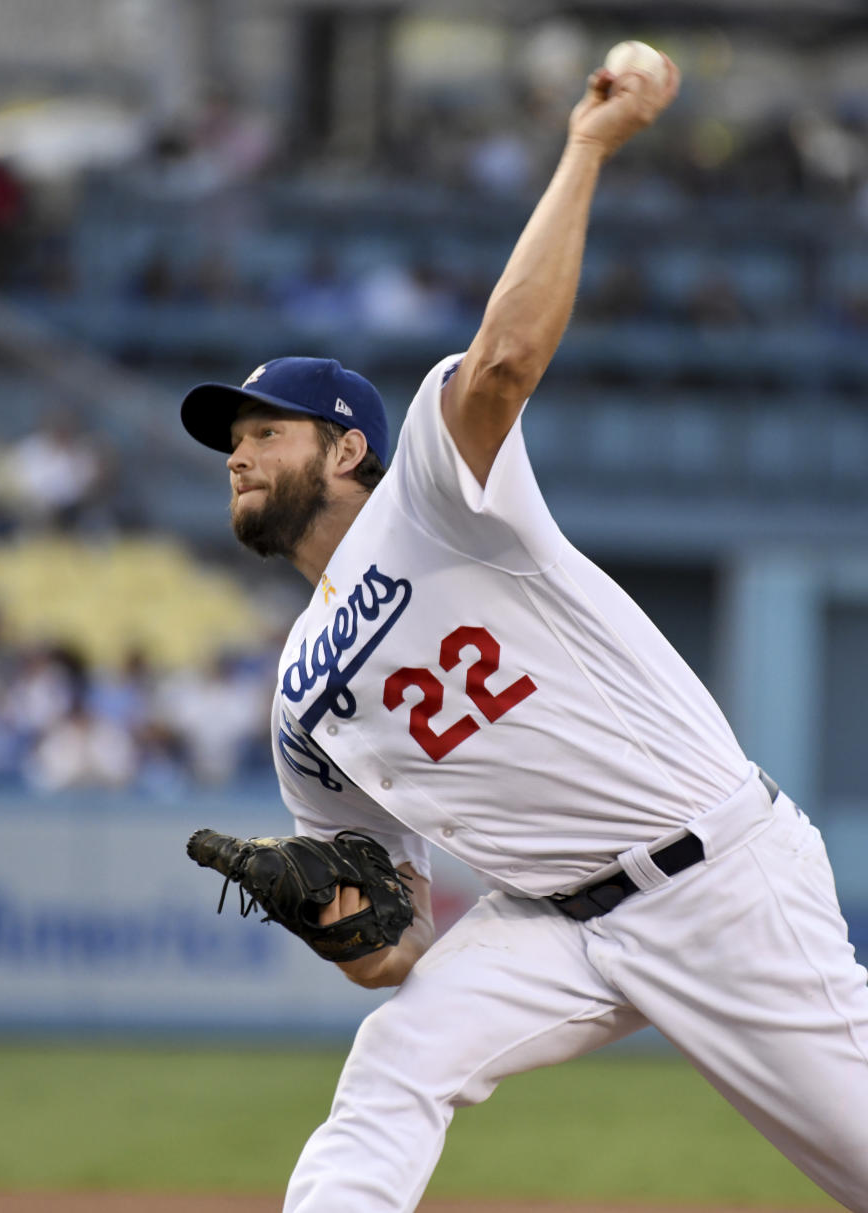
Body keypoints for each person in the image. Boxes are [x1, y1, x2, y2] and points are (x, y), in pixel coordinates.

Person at [179, 58, 868, 1213]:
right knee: (396, 1059)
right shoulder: (300, 697)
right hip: (552, 924)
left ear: (346, 448)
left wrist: (588, 147)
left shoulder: (439, 498)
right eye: (230, 442)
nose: (238, 455)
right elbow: (390, 951)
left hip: (714, 878)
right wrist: (325, 916)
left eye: (264, 431)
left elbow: (502, 362)